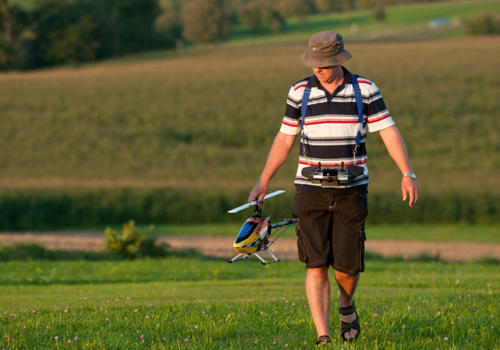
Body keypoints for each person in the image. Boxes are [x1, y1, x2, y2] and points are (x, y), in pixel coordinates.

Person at [248, 31, 419, 345]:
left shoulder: (365, 89)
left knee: (346, 267)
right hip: (309, 188)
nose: (319, 68)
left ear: (339, 60)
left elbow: (389, 131)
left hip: (352, 189)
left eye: (324, 63)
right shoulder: (299, 91)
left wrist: (407, 173)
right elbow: (285, 138)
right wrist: (263, 180)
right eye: (314, 62)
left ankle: (346, 304)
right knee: (315, 265)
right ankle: (323, 335)